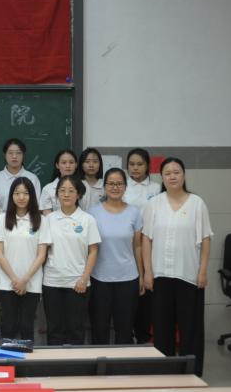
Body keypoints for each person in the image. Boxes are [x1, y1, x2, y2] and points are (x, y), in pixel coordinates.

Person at [142, 157, 212, 376]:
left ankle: (193, 374)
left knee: (191, 329)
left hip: (188, 275)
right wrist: (148, 272)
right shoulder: (154, 203)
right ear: (161, 177)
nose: (172, 176)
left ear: (184, 175)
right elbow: (146, 239)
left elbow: (206, 239)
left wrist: (202, 271)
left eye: (176, 172)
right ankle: (165, 373)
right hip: (160, 274)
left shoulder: (197, 203)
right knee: (162, 328)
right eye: (167, 173)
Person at [41, 175, 100, 345]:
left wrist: (84, 279)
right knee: (54, 330)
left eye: (71, 191)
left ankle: (75, 363)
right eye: (62, 191)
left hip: (78, 283)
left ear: (79, 194)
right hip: (52, 282)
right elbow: (43, 251)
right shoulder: (49, 219)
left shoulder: (87, 219)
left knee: (76, 329)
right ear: (57, 194)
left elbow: (93, 251)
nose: (66, 194)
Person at [89, 167, 144, 345]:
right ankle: (99, 361)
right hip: (99, 279)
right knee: (99, 329)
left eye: (119, 183)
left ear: (125, 187)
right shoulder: (93, 213)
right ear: (104, 187)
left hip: (128, 278)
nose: (115, 187)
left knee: (125, 329)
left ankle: (123, 362)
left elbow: (138, 246)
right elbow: (89, 248)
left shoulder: (134, 212)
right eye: (111, 183)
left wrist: (141, 275)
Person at [0, 177, 48, 341]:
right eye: (17, 193)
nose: (21, 197)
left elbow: (42, 255)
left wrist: (24, 280)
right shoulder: (1, 219)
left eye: (26, 193)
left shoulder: (41, 220)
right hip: (7, 282)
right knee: (8, 325)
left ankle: (26, 359)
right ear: (12, 196)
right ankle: (7, 358)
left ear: (32, 196)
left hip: (31, 282)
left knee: (26, 325)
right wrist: (15, 280)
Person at [123, 147, 160, 345]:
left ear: (147, 166)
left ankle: (144, 337)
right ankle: (127, 337)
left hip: (150, 245)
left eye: (140, 164)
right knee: (129, 295)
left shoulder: (156, 188)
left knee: (147, 292)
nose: (135, 168)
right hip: (126, 247)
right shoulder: (123, 186)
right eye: (131, 164)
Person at [0, 139, 42, 216]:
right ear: (5, 155)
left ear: (23, 155)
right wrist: (1, 221)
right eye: (10, 153)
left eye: (18, 153)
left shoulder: (32, 178)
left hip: (27, 220)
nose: (14, 156)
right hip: (2, 221)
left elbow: (36, 205)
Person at [39, 149, 79, 214]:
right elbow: (47, 215)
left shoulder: (83, 186)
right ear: (57, 165)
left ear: (76, 165)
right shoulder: (48, 189)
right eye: (64, 163)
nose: (68, 166)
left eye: (71, 162)